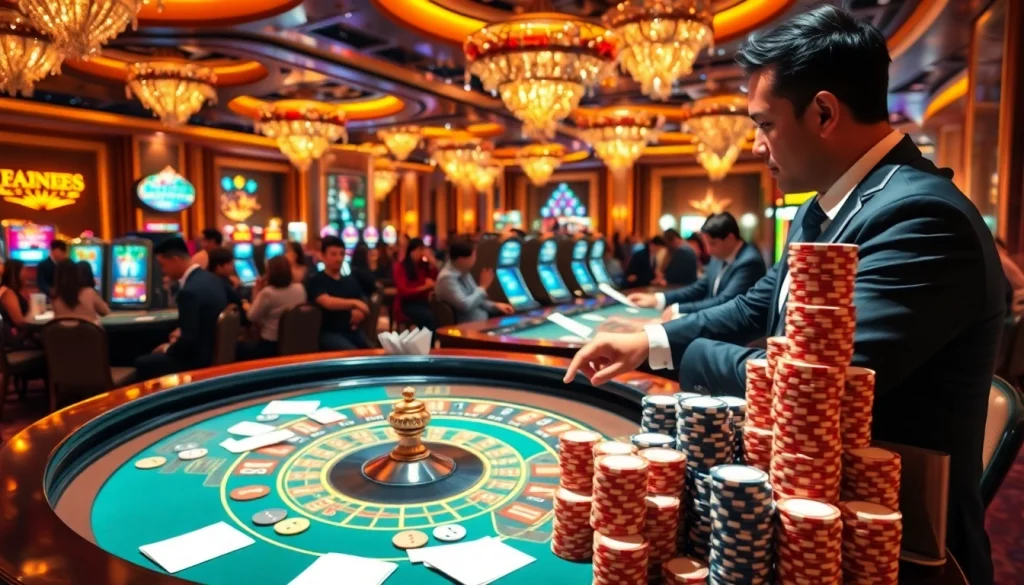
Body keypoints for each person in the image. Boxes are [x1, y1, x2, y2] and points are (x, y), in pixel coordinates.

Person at [563, 7, 998, 584]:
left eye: (765, 124)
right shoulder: (823, 210)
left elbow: (809, 390)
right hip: (806, 513)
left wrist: (677, 361)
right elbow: (754, 307)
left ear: (823, 112)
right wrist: (649, 338)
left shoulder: (920, 218)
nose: (758, 145)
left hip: (892, 553)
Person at [629, 213, 767, 319]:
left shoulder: (749, 262)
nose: (708, 250)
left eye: (712, 243)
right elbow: (701, 286)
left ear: (730, 238)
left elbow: (724, 301)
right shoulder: (719, 255)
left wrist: (678, 309)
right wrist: (659, 299)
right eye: (706, 243)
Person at [134, 238, 228, 380]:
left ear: (175, 260)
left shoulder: (189, 291)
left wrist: (167, 348)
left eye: (163, 265)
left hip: (197, 359)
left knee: (142, 362)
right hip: (212, 350)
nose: (163, 271)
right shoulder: (211, 279)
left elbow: (189, 342)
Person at [306, 236, 370, 350]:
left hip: (351, 330)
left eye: (341, 254)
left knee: (374, 352)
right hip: (328, 333)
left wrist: (360, 311)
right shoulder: (316, 279)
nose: (339, 258)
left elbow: (363, 303)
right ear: (323, 256)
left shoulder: (349, 280)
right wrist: (354, 303)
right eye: (333, 254)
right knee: (352, 354)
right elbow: (327, 302)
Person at [240, 255, 307, 360]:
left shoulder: (268, 293)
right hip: (295, 342)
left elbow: (251, 317)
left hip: (270, 345)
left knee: (240, 348)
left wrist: (256, 291)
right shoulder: (300, 288)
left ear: (270, 273)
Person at [434, 237, 514, 323]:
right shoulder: (446, 278)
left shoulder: (463, 271)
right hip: (468, 327)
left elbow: (476, 299)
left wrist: (495, 306)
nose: (475, 259)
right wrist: (483, 287)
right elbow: (465, 305)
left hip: (482, 319)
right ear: (461, 259)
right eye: (474, 255)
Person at [392, 237, 438, 329]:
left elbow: (435, 280)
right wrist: (424, 287)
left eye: (422, 250)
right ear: (411, 251)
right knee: (427, 317)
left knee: (439, 313)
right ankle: (427, 343)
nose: (420, 253)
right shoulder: (401, 267)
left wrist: (433, 263)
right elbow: (403, 292)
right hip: (406, 305)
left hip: (423, 302)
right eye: (418, 250)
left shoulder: (423, 266)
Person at [51, 260, 109, 325]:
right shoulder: (89, 292)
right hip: (88, 334)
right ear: (77, 274)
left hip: (62, 335)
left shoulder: (55, 295)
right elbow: (105, 311)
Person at [0, 259, 31, 349]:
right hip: (14, 338)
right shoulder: (8, 293)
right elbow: (19, 322)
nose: (27, 273)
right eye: (24, 270)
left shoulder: (18, 290)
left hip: (19, 333)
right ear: (15, 272)